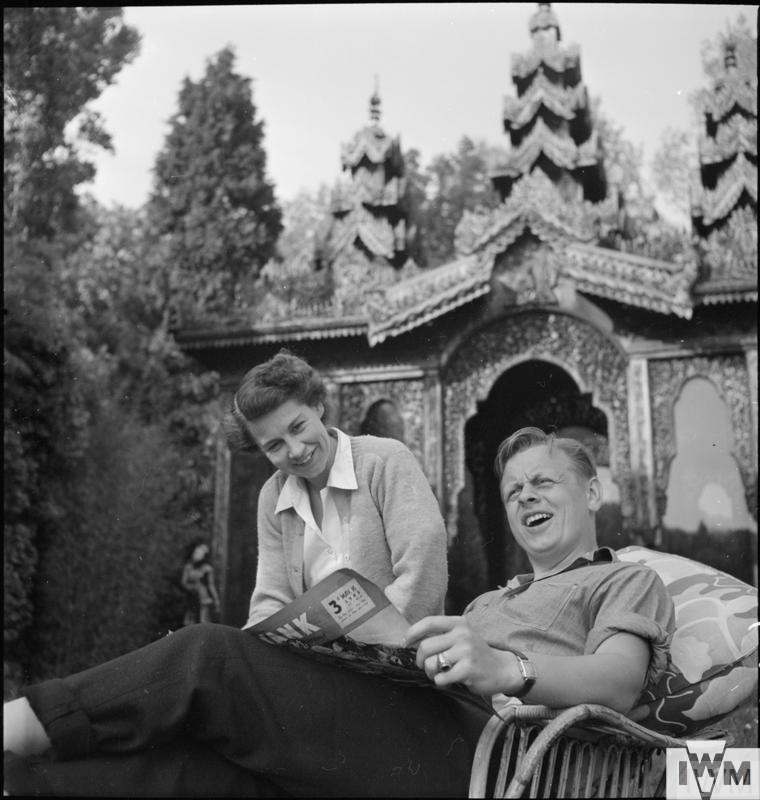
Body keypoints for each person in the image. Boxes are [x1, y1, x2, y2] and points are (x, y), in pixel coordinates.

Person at [3, 426, 674, 797]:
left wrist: (506, 666)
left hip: (487, 759)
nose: (526, 495)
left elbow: (616, 681)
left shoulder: (626, 580)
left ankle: (26, 721)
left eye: (544, 481)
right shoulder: (490, 602)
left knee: (209, 657)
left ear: (591, 489)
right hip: (403, 733)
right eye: (513, 488)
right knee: (191, 773)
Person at [224, 349, 448, 627]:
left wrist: (358, 645)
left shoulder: (384, 461)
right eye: (274, 445)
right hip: (313, 661)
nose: (295, 450)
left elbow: (422, 575)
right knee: (203, 643)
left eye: (297, 427)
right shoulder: (273, 497)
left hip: (397, 653)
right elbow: (272, 600)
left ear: (317, 405)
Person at [181, 540, 221, 625]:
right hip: (191, 597)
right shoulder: (188, 567)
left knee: (203, 620)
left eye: (200, 553)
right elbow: (184, 582)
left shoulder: (207, 568)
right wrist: (192, 588)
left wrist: (216, 599)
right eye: (196, 552)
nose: (197, 554)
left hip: (203, 597)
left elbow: (211, 585)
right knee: (190, 621)